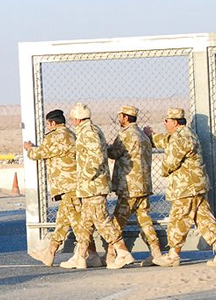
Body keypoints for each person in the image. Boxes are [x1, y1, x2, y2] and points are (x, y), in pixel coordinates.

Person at [144, 108, 216, 267]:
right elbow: (165, 140)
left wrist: (164, 169)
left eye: (166, 121)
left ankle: (173, 255)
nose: (165, 123)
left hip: (186, 187)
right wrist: (150, 136)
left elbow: (169, 163)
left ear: (174, 122)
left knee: (178, 219)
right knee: (204, 219)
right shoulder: (184, 134)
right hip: (194, 186)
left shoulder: (181, 138)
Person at [24, 109, 101, 267]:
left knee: (77, 222)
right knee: (63, 221)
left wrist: (30, 149)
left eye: (48, 124)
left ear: (52, 123)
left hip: (66, 185)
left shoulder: (54, 136)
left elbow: (41, 153)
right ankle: (50, 252)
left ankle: (84, 254)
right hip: (73, 184)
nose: (47, 127)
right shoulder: (72, 135)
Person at [61, 103, 135, 270]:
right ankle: (81, 256)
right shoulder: (85, 132)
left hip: (93, 186)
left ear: (79, 119)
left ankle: (122, 251)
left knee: (102, 221)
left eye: (73, 119)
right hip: (88, 187)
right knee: (85, 223)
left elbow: (96, 159)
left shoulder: (89, 133)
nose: (71, 121)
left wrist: (85, 177)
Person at [105, 105, 162, 267]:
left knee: (117, 221)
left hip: (130, 186)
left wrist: (103, 146)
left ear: (126, 117)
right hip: (143, 185)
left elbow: (114, 153)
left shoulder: (126, 135)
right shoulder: (143, 136)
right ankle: (156, 252)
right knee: (144, 220)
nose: (119, 119)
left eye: (120, 116)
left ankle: (114, 254)